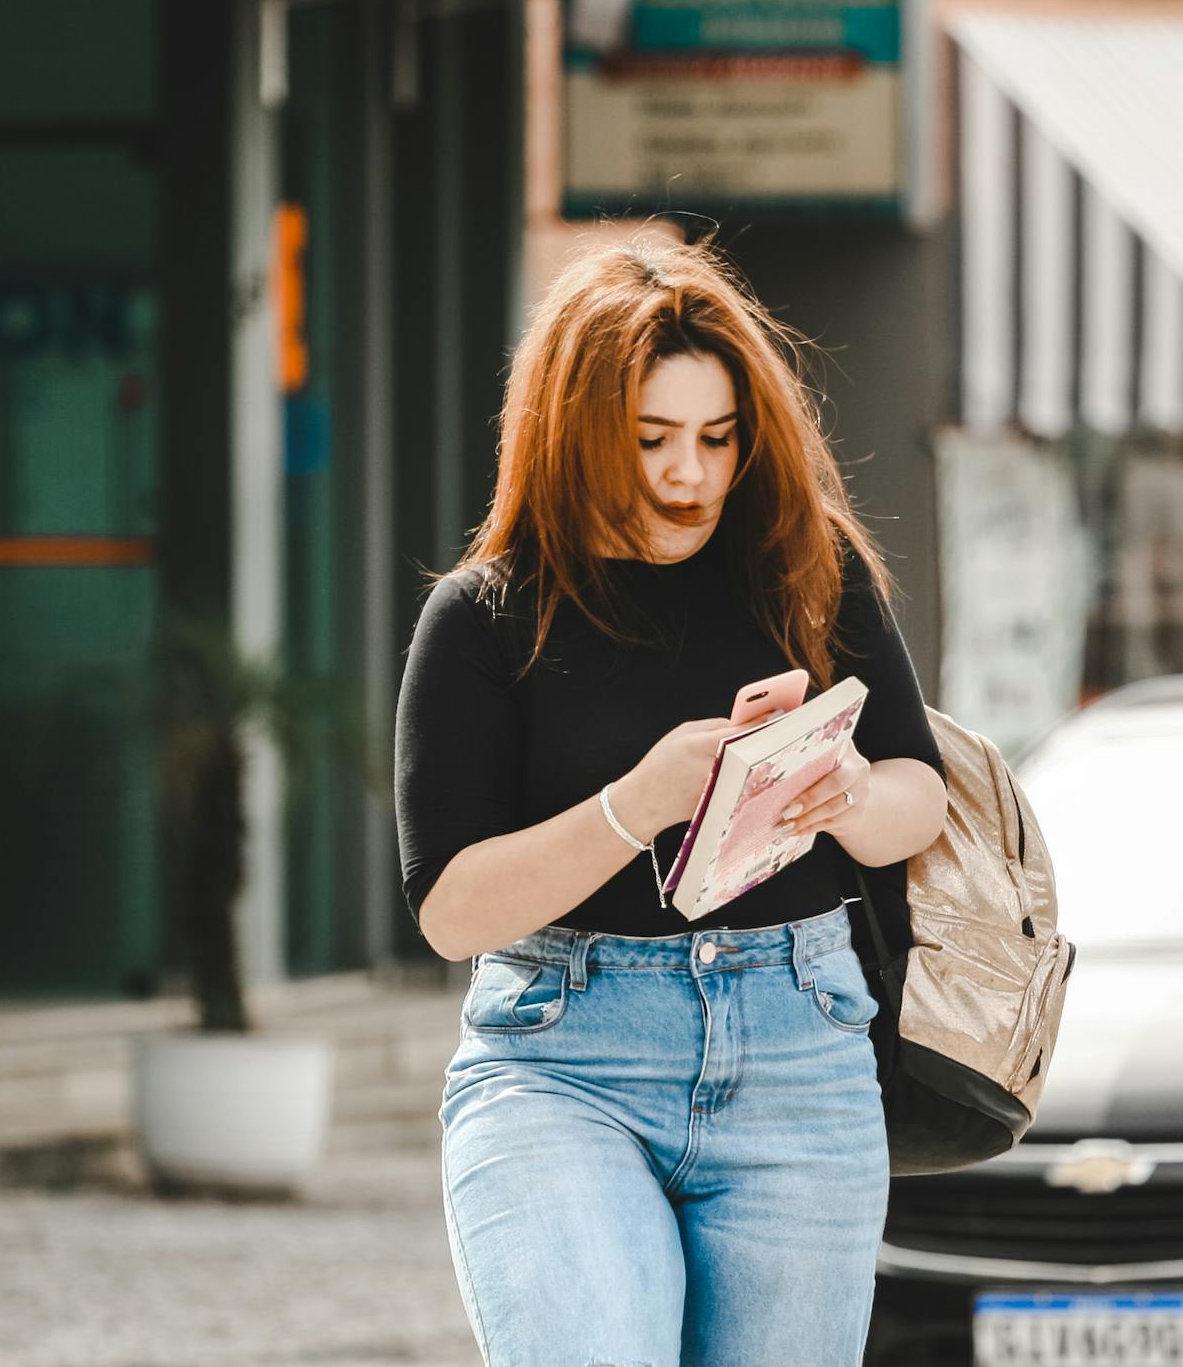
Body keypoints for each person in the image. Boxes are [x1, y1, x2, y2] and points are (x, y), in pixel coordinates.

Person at [395, 235, 950, 1367]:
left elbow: (918, 797)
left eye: (716, 437)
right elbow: (450, 914)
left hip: (802, 1049)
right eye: (648, 440)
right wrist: (636, 803)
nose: (686, 473)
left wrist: (840, 792)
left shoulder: (810, 570)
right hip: (561, 1061)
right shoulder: (485, 617)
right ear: (573, 432)